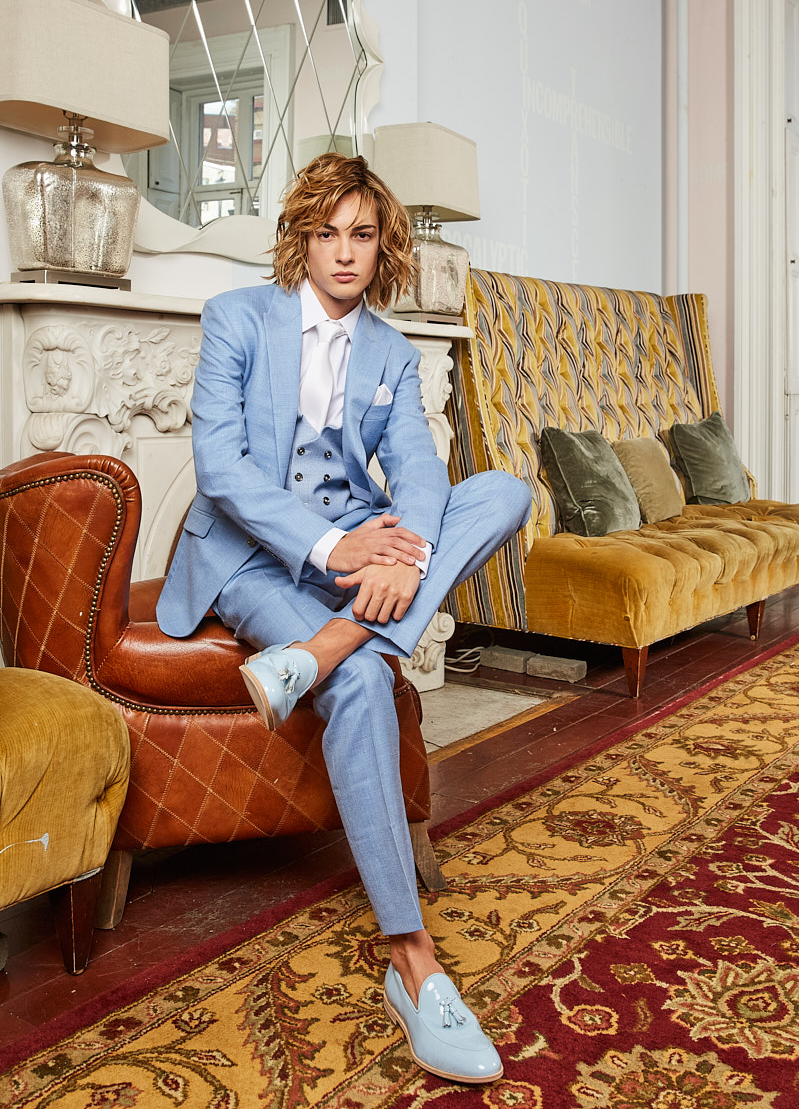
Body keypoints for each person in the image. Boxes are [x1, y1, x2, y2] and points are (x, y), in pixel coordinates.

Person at [157, 152, 531, 1083]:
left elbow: (417, 471)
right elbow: (225, 472)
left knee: (503, 491)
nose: (343, 253)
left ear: (383, 245)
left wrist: (397, 550)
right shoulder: (238, 318)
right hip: (251, 555)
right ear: (300, 238)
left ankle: (322, 648)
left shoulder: (393, 352)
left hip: (358, 555)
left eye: (361, 235)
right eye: (326, 233)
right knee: (363, 682)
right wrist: (338, 553)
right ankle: (415, 964)